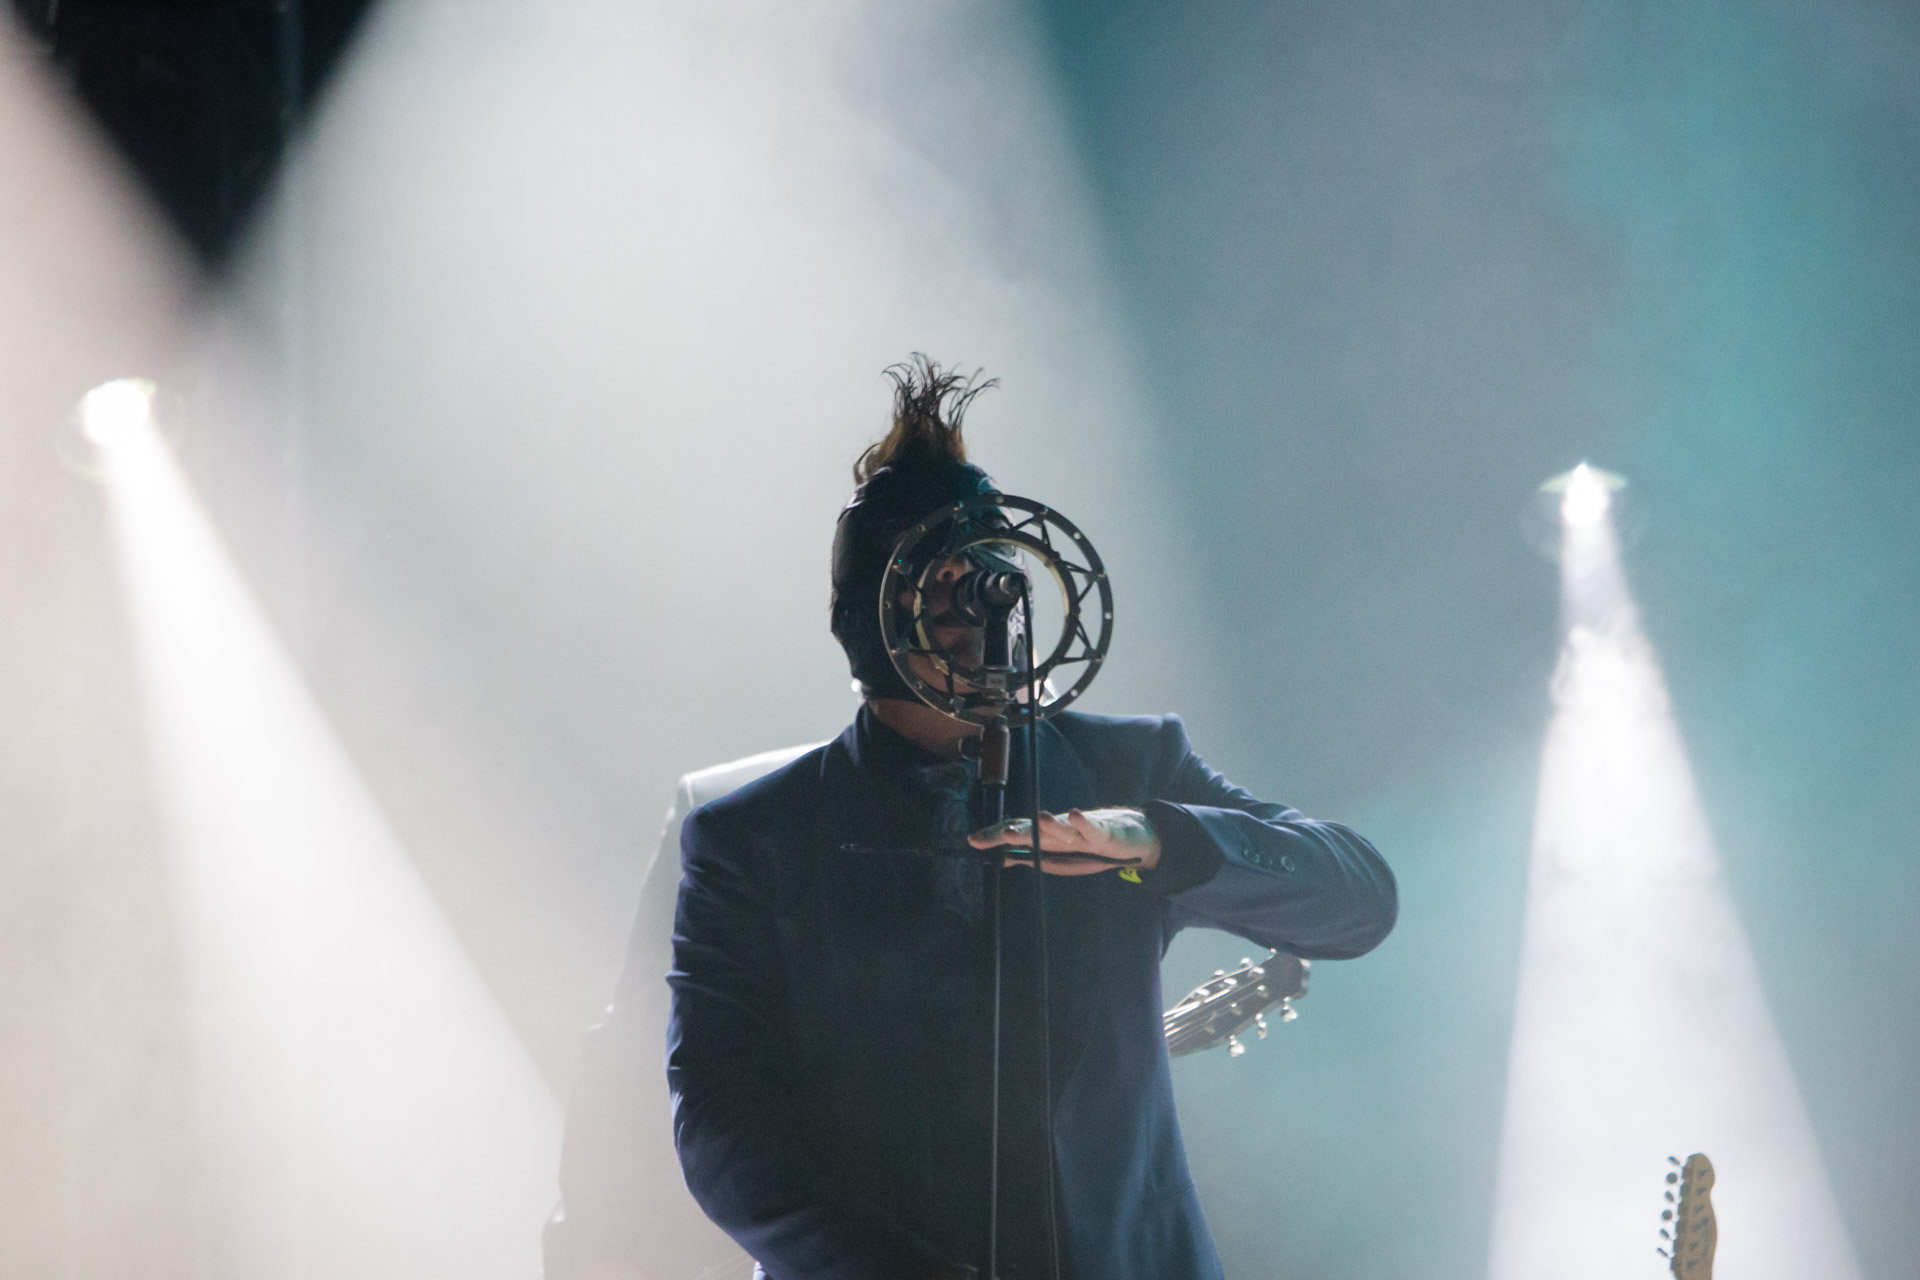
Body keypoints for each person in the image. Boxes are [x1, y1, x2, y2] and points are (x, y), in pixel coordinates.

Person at [548, 357, 1397, 1280]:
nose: (982, 606)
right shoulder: (755, 839)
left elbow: (1357, 899)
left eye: (992, 572)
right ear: (871, 613)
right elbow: (724, 1129)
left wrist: (1161, 840)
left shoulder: (1128, 767)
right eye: (945, 584)